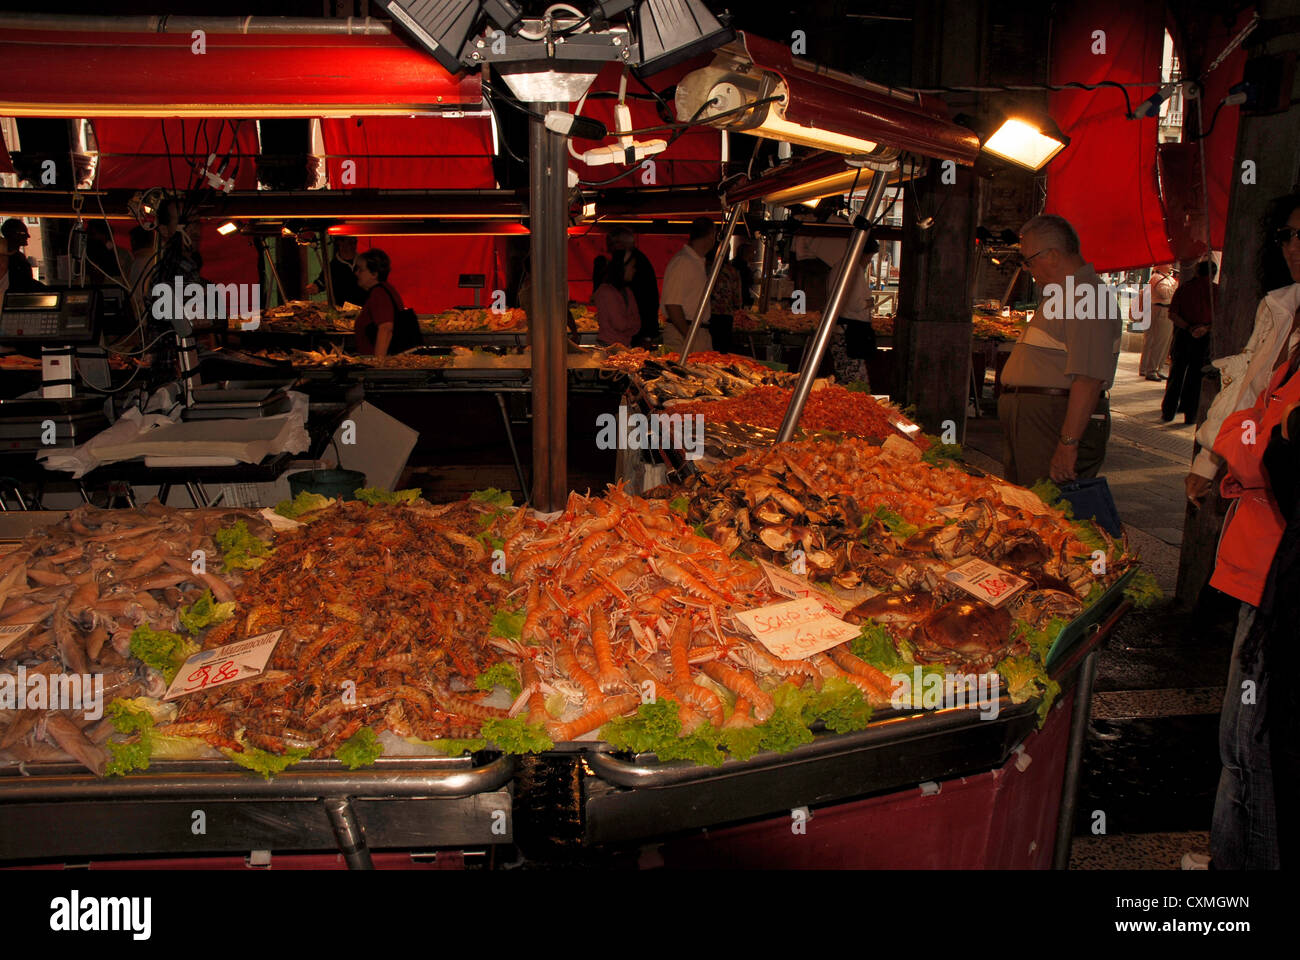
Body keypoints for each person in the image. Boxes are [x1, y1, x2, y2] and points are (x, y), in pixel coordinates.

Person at [1189, 193, 1300, 871]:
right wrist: (1230, 446)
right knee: (1240, 746)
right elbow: (1253, 424)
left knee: (1253, 752)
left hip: (1280, 575)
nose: (1294, 246)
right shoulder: (1283, 312)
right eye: (1288, 235)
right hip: (1256, 560)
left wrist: (1238, 441)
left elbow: (1269, 446)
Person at [998, 214, 1121, 485]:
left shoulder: (1086, 296)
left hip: (1051, 417)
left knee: (1045, 504)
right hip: (1039, 418)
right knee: (1027, 500)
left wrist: (1068, 443)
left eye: (1029, 261)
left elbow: (1088, 377)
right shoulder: (1067, 294)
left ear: (1052, 255)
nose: (1028, 270)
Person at [1162, 261, 1218, 423]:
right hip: (1203, 337)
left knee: (1176, 375)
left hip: (1184, 335)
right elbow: (1220, 317)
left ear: (1196, 272)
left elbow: (1173, 314)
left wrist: (1189, 328)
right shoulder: (1216, 291)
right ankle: (1190, 415)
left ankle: (1168, 411)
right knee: (1196, 377)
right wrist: (1205, 328)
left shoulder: (1185, 289)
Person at [661, 217, 716, 353]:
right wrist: (689, 336)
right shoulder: (683, 262)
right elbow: (672, 305)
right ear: (711, 235)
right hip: (685, 332)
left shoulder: (697, 261)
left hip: (696, 331)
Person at [606, 227, 659, 348]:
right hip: (632, 331)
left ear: (620, 244)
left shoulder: (637, 263)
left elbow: (648, 301)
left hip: (638, 331)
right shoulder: (627, 262)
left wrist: (647, 335)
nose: (609, 249)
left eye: (611, 244)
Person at [353, 248, 406, 358]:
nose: (356, 273)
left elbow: (386, 328)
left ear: (374, 274)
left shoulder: (379, 294)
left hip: (378, 364)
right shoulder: (385, 290)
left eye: (361, 270)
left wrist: (378, 366)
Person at [592, 249, 641, 347]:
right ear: (623, 268)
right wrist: (632, 322)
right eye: (632, 267)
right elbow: (620, 324)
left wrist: (630, 323)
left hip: (625, 345)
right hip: (609, 346)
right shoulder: (606, 291)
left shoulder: (627, 291)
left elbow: (638, 324)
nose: (634, 270)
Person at [1139, 263, 1178, 380]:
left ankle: (1156, 368)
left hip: (1166, 310)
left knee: (1164, 342)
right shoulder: (1156, 278)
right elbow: (1165, 294)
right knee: (1158, 341)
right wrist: (1176, 285)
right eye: (1167, 263)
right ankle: (1151, 369)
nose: (1170, 265)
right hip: (1160, 309)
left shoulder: (1168, 278)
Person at [306, 236, 365, 308]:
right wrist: (315, 287)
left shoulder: (364, 262)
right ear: (339, 243)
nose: (352, 246)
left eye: (354, 242)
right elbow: (321, 283)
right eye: (349, 242)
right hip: (341, 312)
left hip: (363, 310)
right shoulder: (332, 266)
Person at [709, 243, 743, 355]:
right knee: (723, 350)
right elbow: (737, 298)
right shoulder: (733, 271)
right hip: (725, 316)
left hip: (710, 315)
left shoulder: (708, 268)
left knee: (710, 349)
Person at [126, 227, 154, 322]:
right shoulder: (157, 260)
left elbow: (137, 296)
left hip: (144, 320)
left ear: (134, 242)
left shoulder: (138, 264)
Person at [1, 218, 36, 292]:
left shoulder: (18, 256)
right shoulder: (8, 258)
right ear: (12, 234)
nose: (28, 236)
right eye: (23, 233)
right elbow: (24, 283)